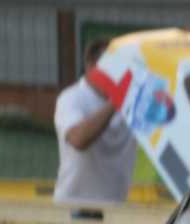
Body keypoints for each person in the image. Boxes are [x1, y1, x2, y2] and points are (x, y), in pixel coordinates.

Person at [53, 37, 136, 203]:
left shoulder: (133, 100)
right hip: (73, 208)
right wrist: (117, 101)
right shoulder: (71, 98)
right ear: (90, 67)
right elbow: (78, 139)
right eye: (110, 66)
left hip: (117, 208)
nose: (116, 73)